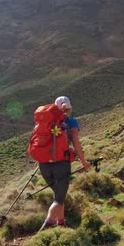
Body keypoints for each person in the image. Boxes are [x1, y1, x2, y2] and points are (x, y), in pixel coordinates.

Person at [38, 96, 91, 232]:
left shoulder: (45, 121)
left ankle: (61, 223)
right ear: (69, 107)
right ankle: (44, 228)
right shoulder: (71, 121)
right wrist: (83, 161)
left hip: (43, 164)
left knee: (59, 194)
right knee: (59, 198)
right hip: (61, 164)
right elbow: (76, 142)